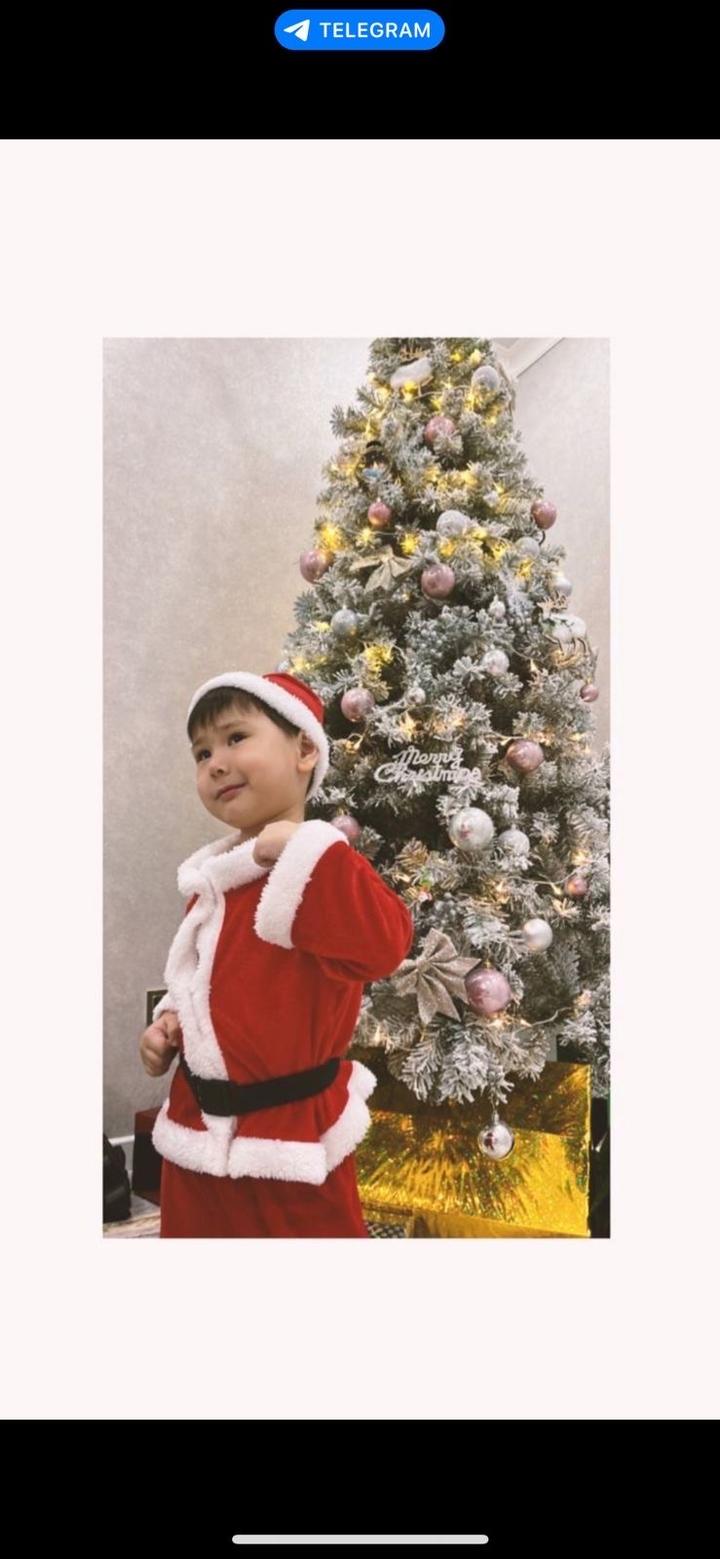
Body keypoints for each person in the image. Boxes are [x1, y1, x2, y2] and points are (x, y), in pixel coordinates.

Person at [139, 669, 414, 1237]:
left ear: (305, 750)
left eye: (236, 738)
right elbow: (201, 982)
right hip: (195, 1132)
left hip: (290, 1145)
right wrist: (170, 1023)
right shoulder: (212, 881)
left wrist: (309, 853)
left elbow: (384, 946)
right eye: (202, 752)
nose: (216, 763)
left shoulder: (321, 867)